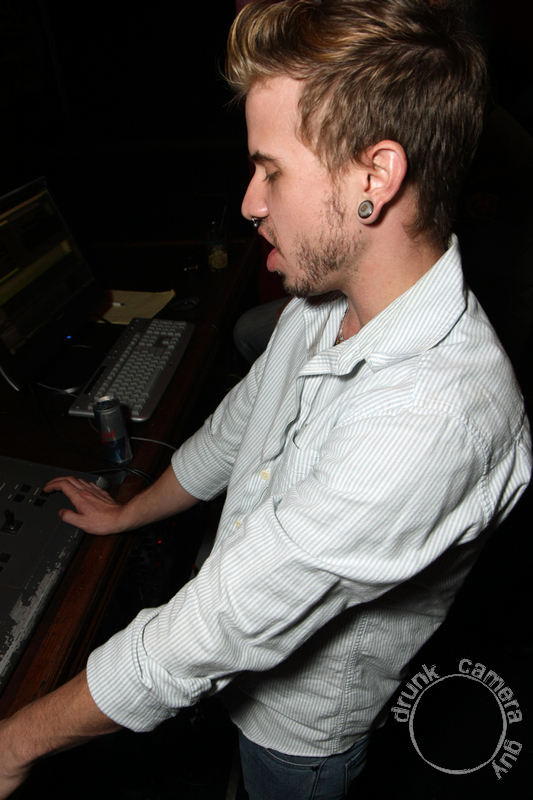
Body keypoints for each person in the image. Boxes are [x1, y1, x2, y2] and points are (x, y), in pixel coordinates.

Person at [1, 2, 531, 798]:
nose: (250, 202)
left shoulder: (434, 421)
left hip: (295, 738)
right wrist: (131, 510)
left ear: (373, 178)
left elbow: (215, 626)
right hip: (230, 678)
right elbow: (237, 426)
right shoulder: (329, 297)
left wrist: (14, 743)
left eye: (271, 170)